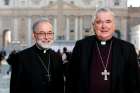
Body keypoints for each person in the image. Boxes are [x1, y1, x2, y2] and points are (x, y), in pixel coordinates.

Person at [66, 8, 140, 93]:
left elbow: (134, 84)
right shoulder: (81, 46)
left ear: (114, 25)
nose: (104, 26)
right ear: (93, 25)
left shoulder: (127, 49)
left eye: (108, 22)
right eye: (99, 22)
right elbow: (71, 80)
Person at [8, 19, 64, 93]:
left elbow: (60, 86)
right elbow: (15, 88)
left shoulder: (57, 57)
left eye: (49, 33)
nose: (46, 37)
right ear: (34, 35)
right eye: (42, 33)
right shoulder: (21, 57)